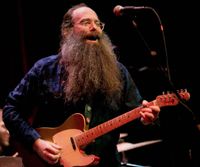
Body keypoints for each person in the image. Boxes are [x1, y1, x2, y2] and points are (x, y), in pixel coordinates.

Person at [3, 3, 160, 167]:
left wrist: (146, 119)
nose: (95, 28)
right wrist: (36, 142)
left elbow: (135, 116)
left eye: (98, 24)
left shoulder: (119, 72)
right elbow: (11, 110)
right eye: (86, 23)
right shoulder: (45, 69)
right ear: (67, 31)